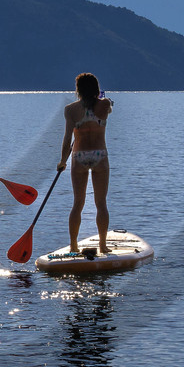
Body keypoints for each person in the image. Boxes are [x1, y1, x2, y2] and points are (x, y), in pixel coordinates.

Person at [57, 72, 114, 255]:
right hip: (99, 155)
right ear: (96, 89)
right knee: (101, 203)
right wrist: (102, 98)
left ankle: (73, 245)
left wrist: (62, 161)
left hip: (79, 156)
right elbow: (107, 107)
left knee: (78, 203)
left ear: (78, 90)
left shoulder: (70, 110)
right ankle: (103, 245)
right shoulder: (104, 105)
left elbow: (67, 139)